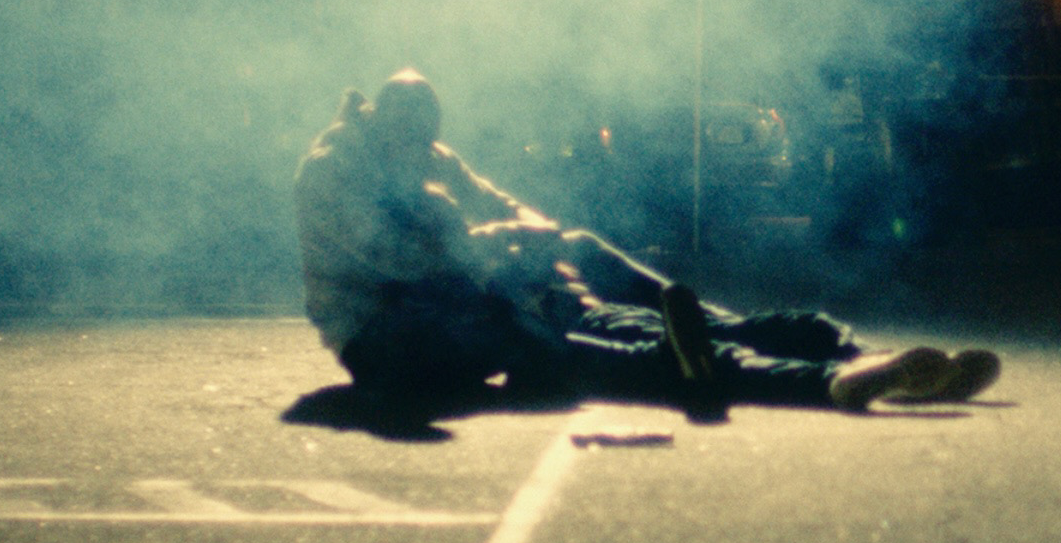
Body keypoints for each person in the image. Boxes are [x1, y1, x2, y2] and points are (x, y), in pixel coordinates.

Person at [297, 70, 1000, 417]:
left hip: (467, 296)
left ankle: (853, 355)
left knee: (598, 282)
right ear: (385, 122)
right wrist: (505, 246)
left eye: (431, 140)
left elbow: (493, 204)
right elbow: (398, 262)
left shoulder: (421, 150)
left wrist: (535, 235)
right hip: (384, 335)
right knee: (560, 340)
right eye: (416, 141)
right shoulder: (334, 172)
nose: (427, 153)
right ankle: (816, 378)